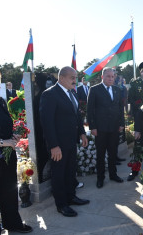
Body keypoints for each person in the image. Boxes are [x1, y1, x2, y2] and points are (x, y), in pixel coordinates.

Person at [0, 69, 33, 234]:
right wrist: (4, 142)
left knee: (9, 192)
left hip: (7, 156)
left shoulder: (0, 102)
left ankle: (12, 223)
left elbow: (5, 125)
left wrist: (14, 135)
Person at [39, 66, 89, 218]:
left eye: (75, 77)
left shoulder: (72, 92)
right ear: (61, 78)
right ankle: (61, 204)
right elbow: (47, 123)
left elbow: (76, 115)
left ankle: (71, 196)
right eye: (72, 78)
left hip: (71, 141)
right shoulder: (50, 94)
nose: (75, 81)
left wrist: (82, 133)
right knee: (59, 174)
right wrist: (54, 146)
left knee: (70, 170)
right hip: (58, 144)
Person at [87, 68, 125, 188]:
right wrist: (92, 127)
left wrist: (121, 124)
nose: (110, 78)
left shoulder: (117, 89)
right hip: (100, 128)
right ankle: (100, 178)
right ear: (102, 77)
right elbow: (90, 110)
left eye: (112, 76)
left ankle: (113, 175)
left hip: (114, 127)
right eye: (108, 76)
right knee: (101, 154)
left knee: (113, 153)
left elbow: (120, 109)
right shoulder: (94, 89)